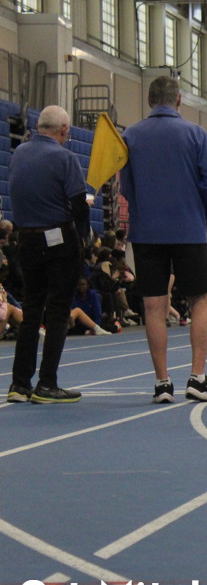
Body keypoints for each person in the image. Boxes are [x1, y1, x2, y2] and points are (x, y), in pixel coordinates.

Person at [120, 75, 207, 403]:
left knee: (154, 305)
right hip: (188, 229)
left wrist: (143, 209)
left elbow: (126, 186)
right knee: (201, 300)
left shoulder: (130, 135)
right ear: (179, 100)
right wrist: (199, 211)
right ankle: (197, 377)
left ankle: (162, 383)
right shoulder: (196, 133)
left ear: (149, 100)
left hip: (147, 231)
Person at [7, 105, 90, 403]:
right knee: (57, 311)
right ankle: (47, 384)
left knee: (31, 311)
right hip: (59, 240)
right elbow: (78, 206)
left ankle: (19, 384)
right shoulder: (65, 157)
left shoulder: (19, 153)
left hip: (27, 240)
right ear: (64, 130)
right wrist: (82, 236)